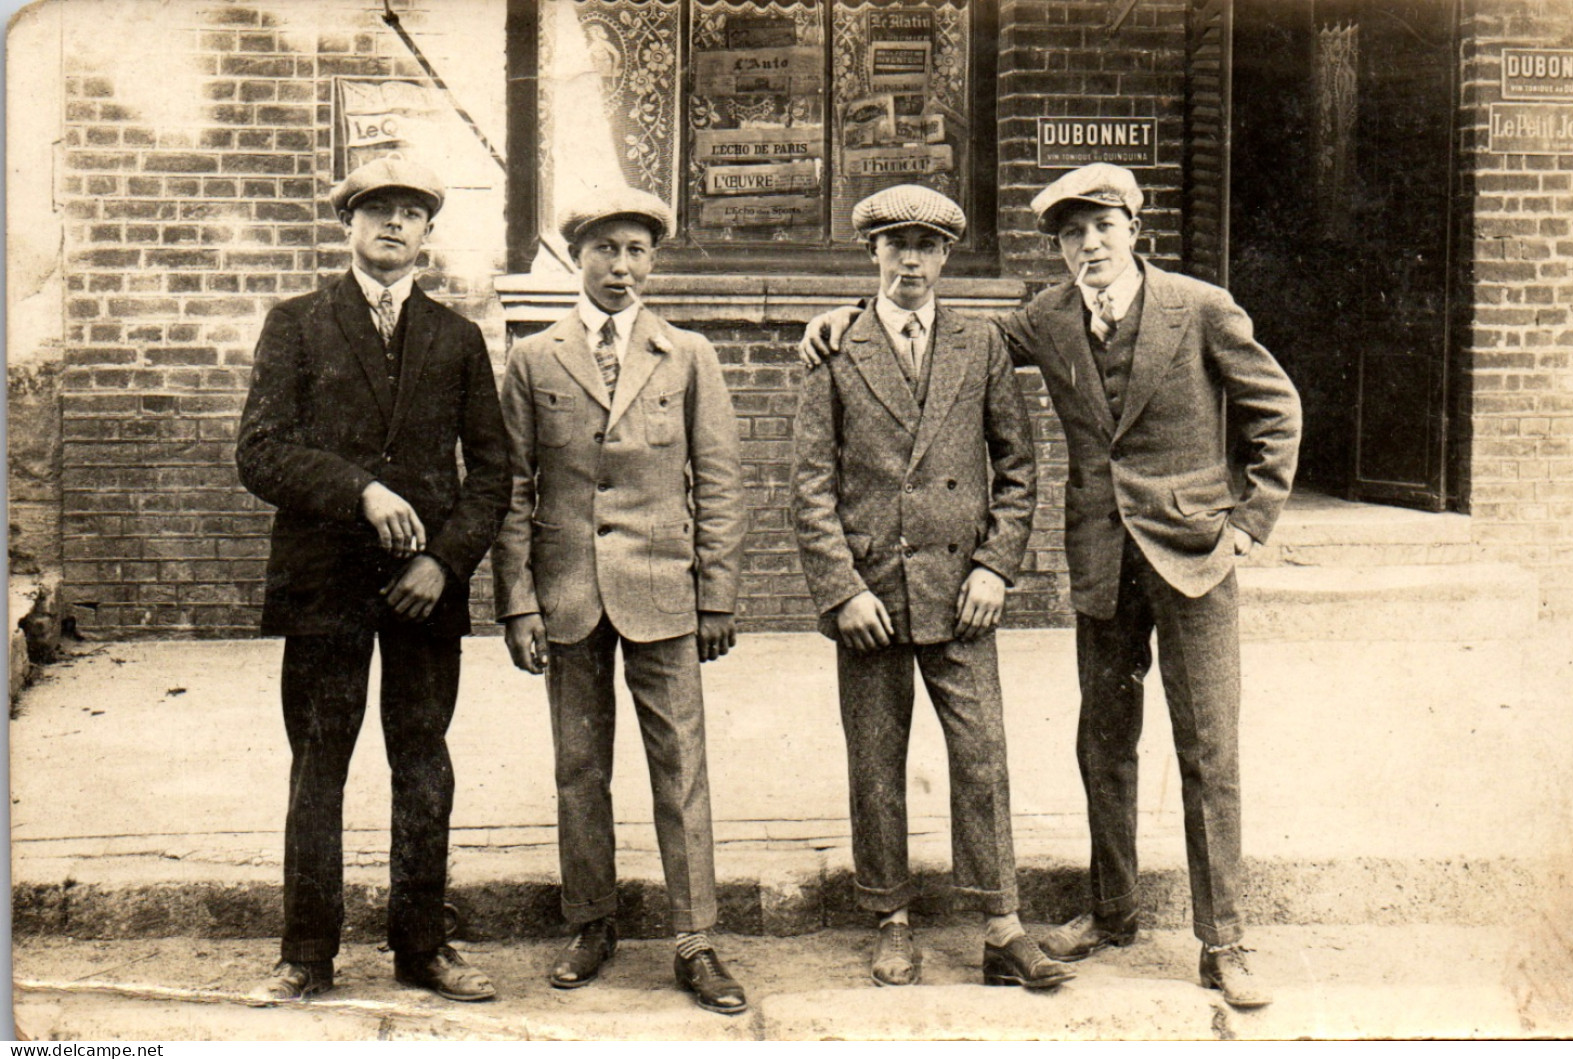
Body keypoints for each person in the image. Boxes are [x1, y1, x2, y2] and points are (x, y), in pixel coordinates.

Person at [800, 164, 1301, 1008]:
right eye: (1070, 235)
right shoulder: (1044, 318)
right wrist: (843, 317)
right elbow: (929, 321)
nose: (1088, 246)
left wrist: (1249, 522)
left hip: (1194, 559)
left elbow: (1275, 410)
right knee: (1102, 743)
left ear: (1134, 228)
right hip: (1102, 562)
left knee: (1206, 748)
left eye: (1102, 227)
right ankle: (1110, 914)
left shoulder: (1200, 307)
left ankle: (1225, 941)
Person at [237, 157, 508, 1004]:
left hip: (426, 589)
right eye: (376, 210)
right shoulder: (297, 323)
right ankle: (304, 953)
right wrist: (361, 489)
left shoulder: (458, 338)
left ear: (428, 233)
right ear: (348, 224)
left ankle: (422, 945)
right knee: (319, 761)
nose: (393, 224)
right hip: (326, 582)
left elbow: (495, 470)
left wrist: (444, 560)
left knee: (422, 758)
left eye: (411, 212)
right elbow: (261, 451)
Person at [792, 184, 1072, 991]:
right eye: (894, 245)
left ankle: (1000, 925)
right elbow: (810, 484)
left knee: (981, 756)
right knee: (877, 761)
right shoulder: (835, 348)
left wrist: (995, 567)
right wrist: (841, 589)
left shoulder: (979, 345)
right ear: (871, 255)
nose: (909, 260)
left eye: (925, 246)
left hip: (960, 593)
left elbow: (1018, 467)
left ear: (946, 256)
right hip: (872, 595)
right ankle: (890, 917)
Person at [489, 187, 749, 1015]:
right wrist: (517, 602)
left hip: (665, 591)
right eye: (606, 249)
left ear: (653, 260)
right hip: (568, 593)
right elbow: (512, 486)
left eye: (638, 250)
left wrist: (717, 596)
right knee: (578, 766)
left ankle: (695, 937)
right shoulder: (535, 358)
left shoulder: (687, 354)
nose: (623, 267)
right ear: (578, 256)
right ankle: (591, 921)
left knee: (682, 769)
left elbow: (720, 482)